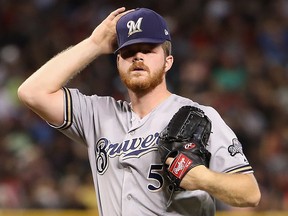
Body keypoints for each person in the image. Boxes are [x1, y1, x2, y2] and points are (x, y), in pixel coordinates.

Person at [18, 7, 261, 216]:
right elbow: (32, 92)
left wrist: (203, 179)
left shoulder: (197, 116)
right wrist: (93, 45)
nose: (138, 57)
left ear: (168, 62)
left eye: (148, 49)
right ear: (118, 62)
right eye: (129, 52)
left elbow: (250, 192)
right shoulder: (98, 115)